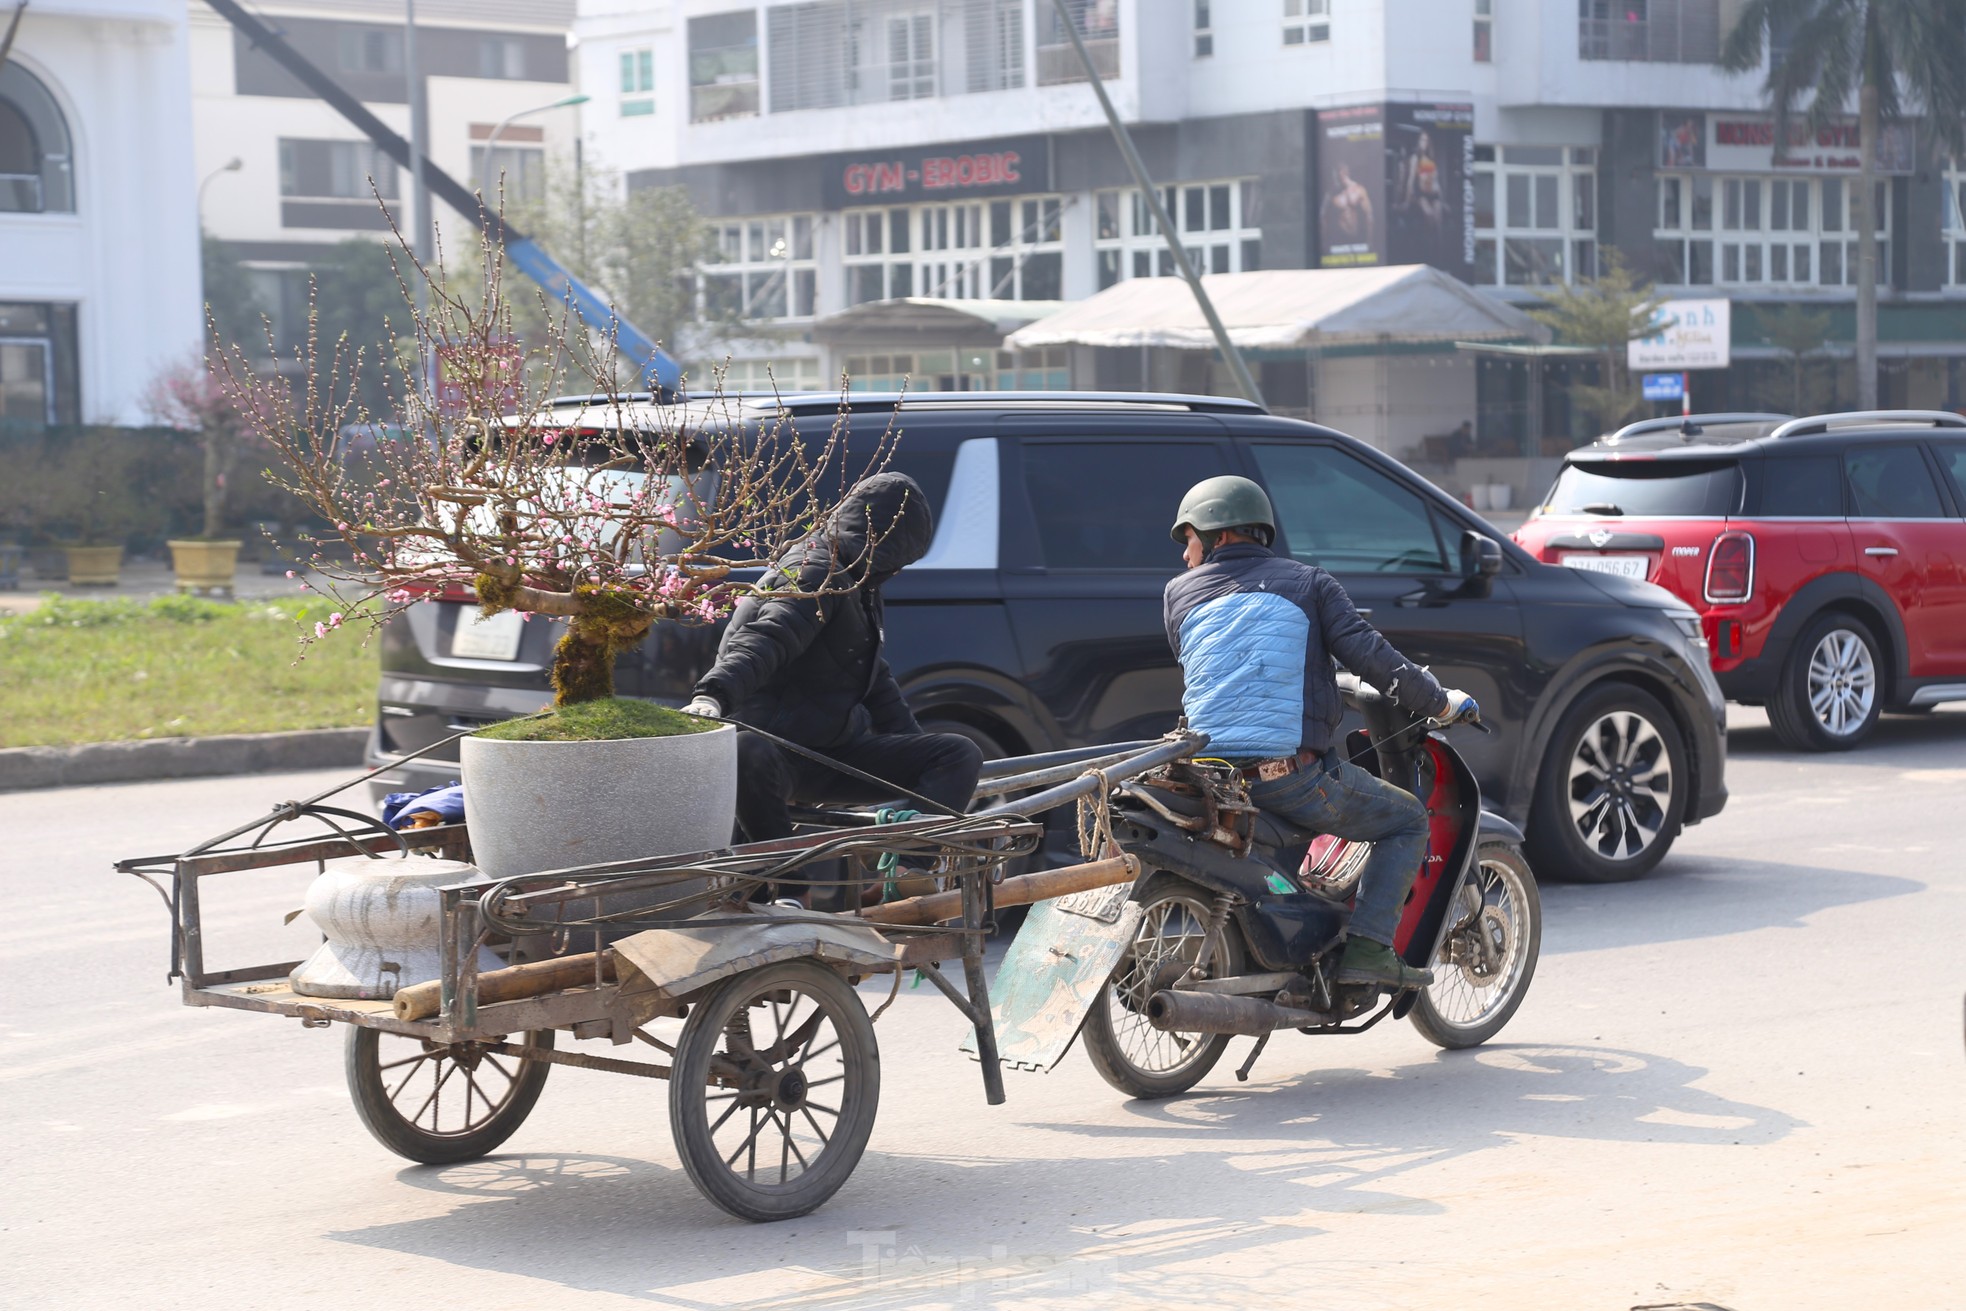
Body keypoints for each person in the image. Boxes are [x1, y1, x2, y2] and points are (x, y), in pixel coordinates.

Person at [1162, 475, 1478, 992]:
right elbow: (1374, 658)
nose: (1184, 556)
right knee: (1407, 819)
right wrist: (1440, 701)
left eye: (1189, 539)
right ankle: (1370, 950)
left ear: (1217, 535)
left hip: (1208, 777)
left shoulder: (1177, 595)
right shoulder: (1310, 583)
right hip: (1285, 781)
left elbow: (1213, 667)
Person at [683, 473, 983, 894]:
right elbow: (768, 638)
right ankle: (789, 890)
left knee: (956, 752)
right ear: (879, 542)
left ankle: (909, 872)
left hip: (834, 750)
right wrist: (712, 694)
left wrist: (916, 763)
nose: (896, 571)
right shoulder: (814, 573)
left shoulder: (862, 580)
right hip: (776, 757)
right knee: (744, 748)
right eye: (897, 559)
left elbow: (874, 678)